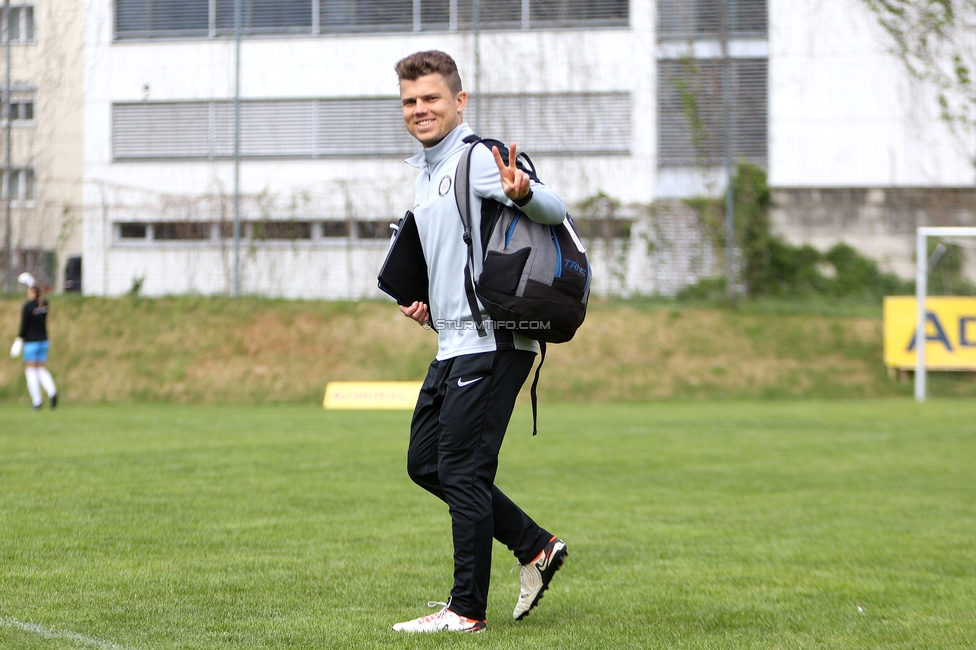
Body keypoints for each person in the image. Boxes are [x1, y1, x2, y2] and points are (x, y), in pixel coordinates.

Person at [390, 50, 568, 634]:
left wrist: (522, 193)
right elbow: (452, 258)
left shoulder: (479, 158)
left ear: (458, 101)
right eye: (411, 100)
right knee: (426, 463)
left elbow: (554, 207)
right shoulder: (425, 173)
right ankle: (534, 545)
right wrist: (427, 301)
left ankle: (465, 610)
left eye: (432, 98)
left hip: (492, 342)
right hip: (453, 342)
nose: (421, 109)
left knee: (462, 471)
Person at [11, 273, 58, 410]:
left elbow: (24, 326)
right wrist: (32, 283)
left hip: (31, 343)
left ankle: (37, 401)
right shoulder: (44, 304)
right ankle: (52, 391)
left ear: (31, 292)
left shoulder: (27, 307)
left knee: (31, 372)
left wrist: (18, 340)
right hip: (44, 342)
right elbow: (41, 299)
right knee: (40, 369)